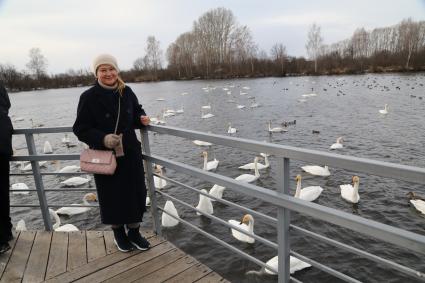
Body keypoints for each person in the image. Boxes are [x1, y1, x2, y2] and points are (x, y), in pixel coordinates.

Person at [73, 54, 151, 252]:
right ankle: (119, 234)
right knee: (112, 196)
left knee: (136, 193)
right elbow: (80, 128)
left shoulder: (127, 91)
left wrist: (141, 118)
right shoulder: (88, 97)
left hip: (130, 153)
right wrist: (103, 138)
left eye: (111, 69)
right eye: (103, 70)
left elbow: (136, 111)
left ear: (117, 70)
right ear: (96, 73)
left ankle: (134, 232)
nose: (108, 73)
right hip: (106, 157)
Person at [0, 83, 13, 254]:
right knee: (2, 191)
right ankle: (5, 232)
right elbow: (6, 104)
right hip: (2, 144)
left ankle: (2, 238)